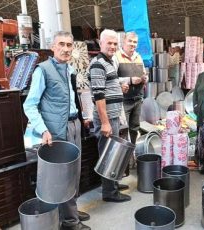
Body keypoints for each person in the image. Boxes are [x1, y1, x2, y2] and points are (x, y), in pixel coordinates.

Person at [23, 31, 90, 230]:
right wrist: (43, 130)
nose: (66, 49)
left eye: (70, 45)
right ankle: (69, 223)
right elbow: (30, 105)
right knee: (63, 176)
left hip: (73, 125)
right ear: (53, 47)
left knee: (74, 172)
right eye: (61, 44)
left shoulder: (70, 69)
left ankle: (72, 211)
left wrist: (82, 118)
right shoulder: (42, 70)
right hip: (56, 131)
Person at [88, 29, 131, 203]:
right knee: (108, 154)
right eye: (109, 43)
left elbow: (105, 89)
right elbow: (98, 96)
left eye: (115, 43)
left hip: (112, 116)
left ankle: (112, 185)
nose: (112, 46)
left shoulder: (109, 62)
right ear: (100, 43)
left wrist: (119, 89)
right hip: (106, 119)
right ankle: (109, 192)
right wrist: (105, 122)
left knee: (112, 152)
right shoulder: (98, 63)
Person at [114, 31, 146, 147]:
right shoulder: (116, 57)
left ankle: (132, 152)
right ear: (124, 42)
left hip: (137, 98)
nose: (133, 44)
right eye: (130, 41)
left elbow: (143, 73)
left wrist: (144, 78)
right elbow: (112, 79)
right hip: (124, 100)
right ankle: (124, 158)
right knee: (123, 129)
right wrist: (130, 80)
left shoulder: (138, 57)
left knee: (134, 128)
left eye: (135, 42)